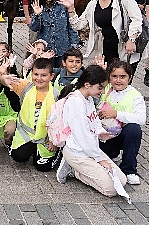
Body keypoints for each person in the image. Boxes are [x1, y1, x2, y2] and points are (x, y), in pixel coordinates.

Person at [55, 65, 129, 197]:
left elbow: (94, 122)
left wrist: (101, 133)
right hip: (77, 153)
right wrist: (99, 159)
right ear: (87, 85)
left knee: (122, 180)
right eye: (100, 88)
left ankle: (79, 169)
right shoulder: (75, 103)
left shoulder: (88, 99)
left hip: (91, 149)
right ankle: (75, 171)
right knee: (111, 190)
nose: (102, 92)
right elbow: (81, 136)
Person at [58, 0, 145, 74]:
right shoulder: (93, 4)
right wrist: (71, 9)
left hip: (125, 48)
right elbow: (79, 25)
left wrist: (132, 40)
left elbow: (136, 18)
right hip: (106, 51)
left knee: (121, 84)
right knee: (107, 84)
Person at [2, 58, 58, 172]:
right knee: (18, 156)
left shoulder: (56, 94)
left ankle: (54, 153)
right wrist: (4, 78)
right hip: (26, 134)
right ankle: (32, 149)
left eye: (43, 75)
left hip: (46, 138)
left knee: (43, 168)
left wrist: (54, 141)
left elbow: (59, 121)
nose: (39, 78)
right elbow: (5, 81)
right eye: (36, 74)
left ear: (51, 76)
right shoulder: (26, 87)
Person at [99, 60, 146, 185]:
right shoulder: (105, 88)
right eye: (114, 76)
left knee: (134, 129)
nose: (118, 80)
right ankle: (111, 154)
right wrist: (99, 70)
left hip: (121, 136)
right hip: (102, 135)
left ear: (129, 78)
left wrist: (117, 114)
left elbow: (141, 118)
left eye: (122, 77)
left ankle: (129, 170)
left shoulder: (135, 95)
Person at [29, 0, 80, 68]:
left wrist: (74, 46)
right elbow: (34, 28)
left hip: (63, 49)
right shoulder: (39, 7)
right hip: (45, 52)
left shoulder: (63, 6)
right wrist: (37, 15)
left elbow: (71, 28)